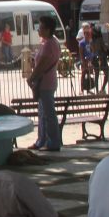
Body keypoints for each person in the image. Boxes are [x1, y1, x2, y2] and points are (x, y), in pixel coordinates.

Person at [27, 15, 62, 151]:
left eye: (41, 27)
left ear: (48, 30)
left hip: (45, 83)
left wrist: (31, 78)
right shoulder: (51, 42)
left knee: (48, 114)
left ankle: (52, 141)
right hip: (47, 82)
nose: (38, 30)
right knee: (43, 113)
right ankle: (42, 140)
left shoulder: (49, 45)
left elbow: (41, 65)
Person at [78, 23, 96, 93]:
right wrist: (83, 61)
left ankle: (88, 88)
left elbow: (92, 50)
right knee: (83, 74)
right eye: (87, 34)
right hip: (84, 60)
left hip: (90, 59)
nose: (88, 36)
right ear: (84, 34)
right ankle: (82, 89)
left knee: (89, 74)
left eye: (89, 34)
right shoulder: (82, 43)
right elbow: (81, 53)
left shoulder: (90, 42)